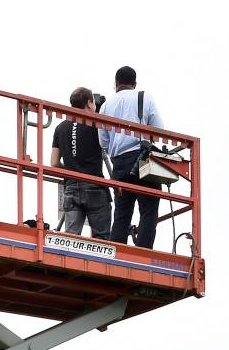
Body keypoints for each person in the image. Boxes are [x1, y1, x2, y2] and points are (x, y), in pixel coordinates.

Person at [99, 66, 165, 248]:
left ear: (116, 83)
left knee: (122, 213)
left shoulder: (105, 106)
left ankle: (116, 254)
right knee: (149, 210)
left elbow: (103, 142)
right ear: (135, 84)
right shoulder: (143, 97)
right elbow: (159, 129)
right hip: (142, 158)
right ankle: (144, 252)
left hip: (119, 164)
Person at [49, 87, 111, 238]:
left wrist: (71, 170)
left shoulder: (60, 128)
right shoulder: (96, 124)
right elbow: (110, 149)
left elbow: (54, 163)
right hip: (95, 186)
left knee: (70, 239)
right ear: (89, 103)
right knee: (102, 240)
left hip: (71, 188)